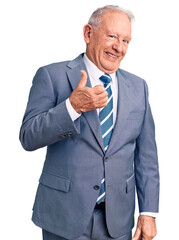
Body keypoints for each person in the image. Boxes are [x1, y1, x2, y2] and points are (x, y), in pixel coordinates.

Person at [19, 5, 159, 240]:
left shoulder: (138, 87)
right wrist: (72, 108)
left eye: (126, 40)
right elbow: (28, 136)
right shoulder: (52, 76)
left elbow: (147, 157)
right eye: (112, 36)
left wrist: (148, 212)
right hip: (63, 217)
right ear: (88, 33)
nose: (119, 47)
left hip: (117, 221)